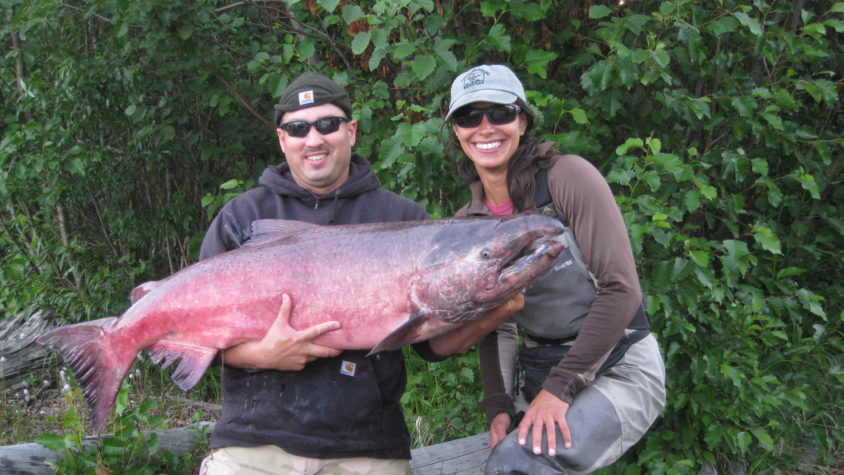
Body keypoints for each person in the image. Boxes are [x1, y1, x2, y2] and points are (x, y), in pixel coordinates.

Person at [197, 70, 522, 474]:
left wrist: (494, 311)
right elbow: (193, 339)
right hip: (254, 445)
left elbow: (430, 346)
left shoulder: (404, 220)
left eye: (327, 124)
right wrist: (262, 355)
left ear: (350, 131)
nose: (313, 139)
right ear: (282, 139)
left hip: (368, 450)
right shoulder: (241, 217)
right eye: (298, 128)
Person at [442, 64, 667, 474]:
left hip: (620, 363)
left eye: (500, 113)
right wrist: (498, 406)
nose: (485, 127)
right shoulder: (467, 226)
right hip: (543, 368)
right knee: (503, 453)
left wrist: (559, 388)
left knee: (519, 463)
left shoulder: (567, 179)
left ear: (523, 121)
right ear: (456, 131)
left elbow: (622, 290)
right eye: (469, 117)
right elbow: (497, 324)